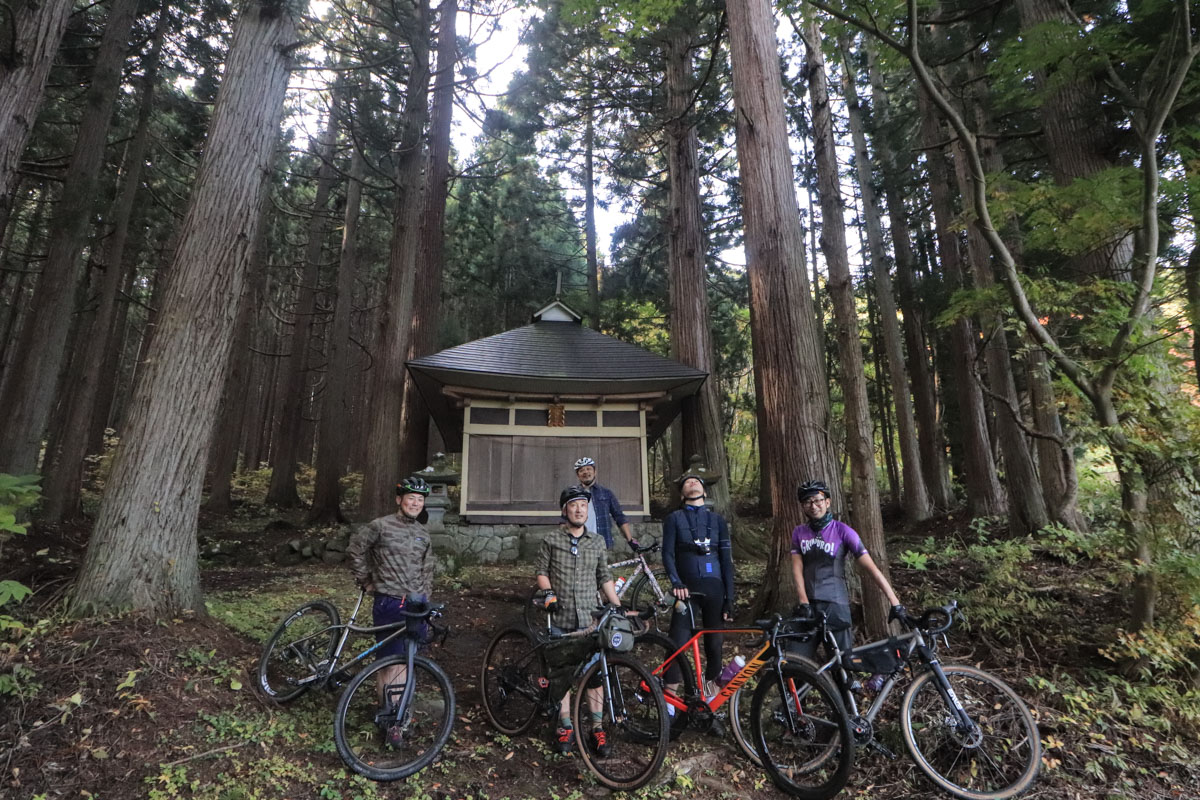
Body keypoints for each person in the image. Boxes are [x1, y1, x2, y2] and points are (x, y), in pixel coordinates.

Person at [347, 475, 435, 747]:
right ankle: (389, 716)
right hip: (388, 600)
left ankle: (401, 712)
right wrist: (365, 580)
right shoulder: (381, 526)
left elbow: (428, 568)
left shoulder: (423, 533)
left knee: (409, 658)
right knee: (390, 659)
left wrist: (427, 599)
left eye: (420, 500)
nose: (415, 504)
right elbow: (356, 549)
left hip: (416, 604)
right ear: (400, 500)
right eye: (411, 499)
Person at [536, 485, 622, 756]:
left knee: (595, 673)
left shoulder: (597, 542)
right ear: (565, 510)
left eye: (583, 505)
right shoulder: (551, 539)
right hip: (560, 614)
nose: (578, 509)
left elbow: (604, 577)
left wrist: (616, 607)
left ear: (588, 510)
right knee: (562, 674)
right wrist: (548, 593)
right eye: (573, 505)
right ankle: (564, 724)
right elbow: (541, 572)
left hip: (590, 617)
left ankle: (596, 727)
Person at [789, 479, 904, 665]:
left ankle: (842, 693)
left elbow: (872, 568)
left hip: (836, 606)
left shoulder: (843, 531)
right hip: (808, 607)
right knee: (796, 662)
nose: (813, 506)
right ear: (803, 506)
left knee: (842, 664)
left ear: (827, 502)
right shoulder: (799, 532)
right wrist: (803, 602)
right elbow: (797, 568)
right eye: (807, 502)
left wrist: (895, 603)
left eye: (818, 500)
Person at [661, 474, 735, 701]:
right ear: (682, 494)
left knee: (714, 645)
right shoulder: (674, 518)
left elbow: (726, 559)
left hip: (715, 588)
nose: (692, 483)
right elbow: (668, 554)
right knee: (678, 641)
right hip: (687, 589)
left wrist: (729, 598)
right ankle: (670, 703)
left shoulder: (718, 520)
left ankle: (710, 701)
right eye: (686, 482)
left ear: (704, 491)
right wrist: (676, 583)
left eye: (696, 482)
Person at [573, 456, 635, 550]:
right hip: (579, 544)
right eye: (581, 470)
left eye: (589, 469)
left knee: (602, 565)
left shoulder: (606, 493)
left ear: (595, 472)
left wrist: (630, 540)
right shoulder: (572, 494)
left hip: (601, 543)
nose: (586, 472)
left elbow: (619, 516)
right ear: (578, 475)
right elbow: (565, 519)